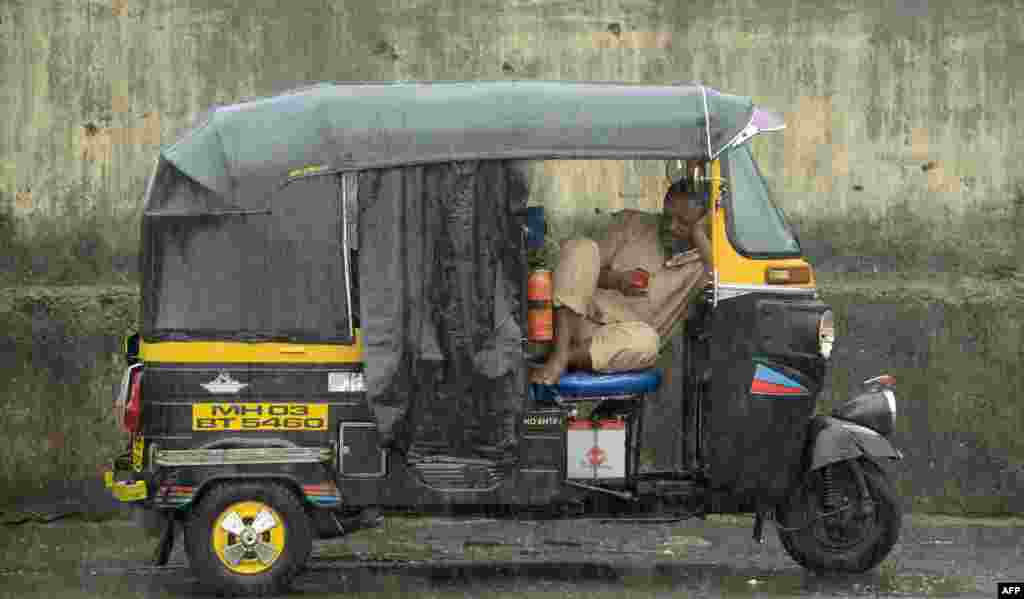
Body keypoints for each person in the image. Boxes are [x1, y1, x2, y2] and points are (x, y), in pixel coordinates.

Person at [529, 177, 712, 385]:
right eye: (667, 216)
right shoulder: (633, 223)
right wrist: (616, 280)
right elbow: (584, 266)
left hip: (617, 343)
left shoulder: (704, 265)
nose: (671, 226)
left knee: (648, 342)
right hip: (575, 318)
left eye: (684, 223)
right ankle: (558, 356)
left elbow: (722, 281)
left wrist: (699, 233)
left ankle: (564, 358)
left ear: (704, 223)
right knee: (582, 247)